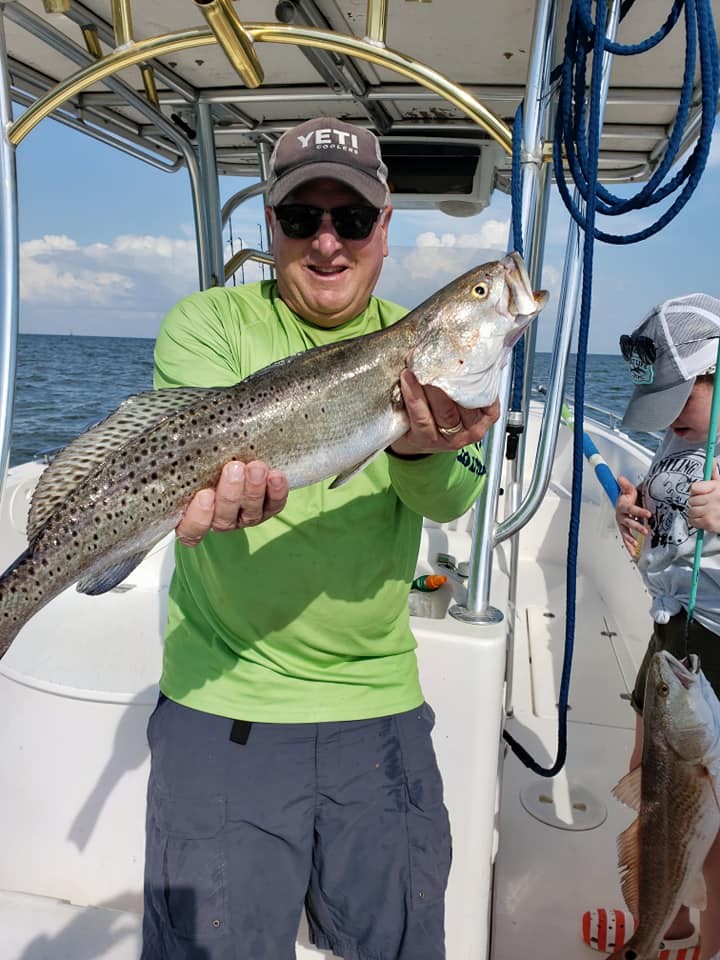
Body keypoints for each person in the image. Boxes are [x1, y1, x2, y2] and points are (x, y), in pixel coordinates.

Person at [140, 117, 501, 960]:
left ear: (385, 231)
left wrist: (418, 440)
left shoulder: (425, 351)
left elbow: (453, 496)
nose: (328, 243)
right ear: (271, 226)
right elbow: (177, 455)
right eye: (303, 219)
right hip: (225, 700)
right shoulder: (210, 323)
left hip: (377, 713)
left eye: (354, 219)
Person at [582, 293, 720, 960]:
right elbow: (665, 494)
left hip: (715, 642)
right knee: (651, 778)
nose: (669, 423)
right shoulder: (683, 432)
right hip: (673, 631)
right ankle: (667, 920)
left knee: (710, 813)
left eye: (676, 402)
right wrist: (634, 509)